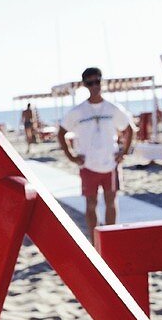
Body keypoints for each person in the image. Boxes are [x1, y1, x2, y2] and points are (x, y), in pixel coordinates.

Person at [57, 67, 135, 240]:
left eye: (97, 81)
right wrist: (71, 156)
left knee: (111, 202)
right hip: (88, 165)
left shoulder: (112, 108)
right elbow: (61, 132)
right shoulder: (78, 111)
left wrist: (124, 152)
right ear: (85, 85)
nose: (94, 86)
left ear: (102, 82)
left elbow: (129, 129)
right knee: (91, 204)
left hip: (110, 163)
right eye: (90, 83)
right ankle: (95, 241)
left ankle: (111, 239)